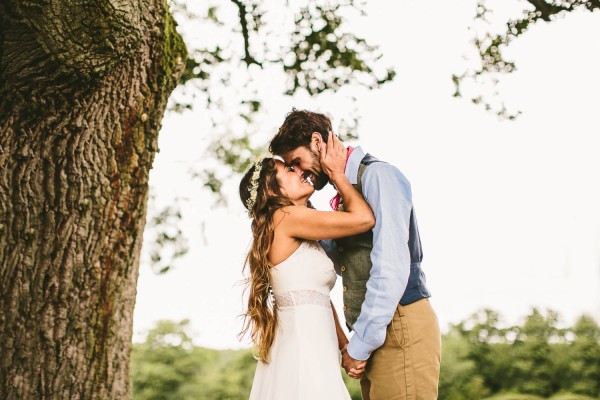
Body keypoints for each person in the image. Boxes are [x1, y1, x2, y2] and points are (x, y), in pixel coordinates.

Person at [269, 109, 441, 400]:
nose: (301, 173)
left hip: (397, 325)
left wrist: (358, 346)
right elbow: (346, 261)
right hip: (376, 331)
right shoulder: (343, 192)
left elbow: (390, 269)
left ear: (317, 142)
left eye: (297, 162)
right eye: (292, 169)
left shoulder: (378, 175)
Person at [239, 132, 375, 399]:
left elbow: (315, 297)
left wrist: (344, 346)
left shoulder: (288, 222)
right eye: (289, 169)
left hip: (312, 342)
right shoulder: (287, 217)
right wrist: (338, 175)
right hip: (303, 348)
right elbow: (363, 218)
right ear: (271, 190)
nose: (299, 170)